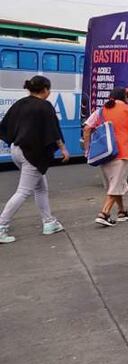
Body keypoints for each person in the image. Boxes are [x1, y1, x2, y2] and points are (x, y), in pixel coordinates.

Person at [0, 76, 69, 243]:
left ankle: (48, 222)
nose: (50, 93)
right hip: (32, 154)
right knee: (24, 191)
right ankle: (2, 225)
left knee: (41, 187)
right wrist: (63, 149)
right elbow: (53, 131)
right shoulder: (45, 107)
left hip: (17, 149)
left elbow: (6, 125)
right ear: (44, 89)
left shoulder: (21, 103)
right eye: (49, 89)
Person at [83, 87, 128, 226]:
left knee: (115, 182)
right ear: (125, 97)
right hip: (124, 151)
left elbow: (87, 129)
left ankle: (122, 211)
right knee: (116, 183)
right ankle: (104, 213)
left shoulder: (101, 111)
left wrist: (87, 149)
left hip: (104, 152)